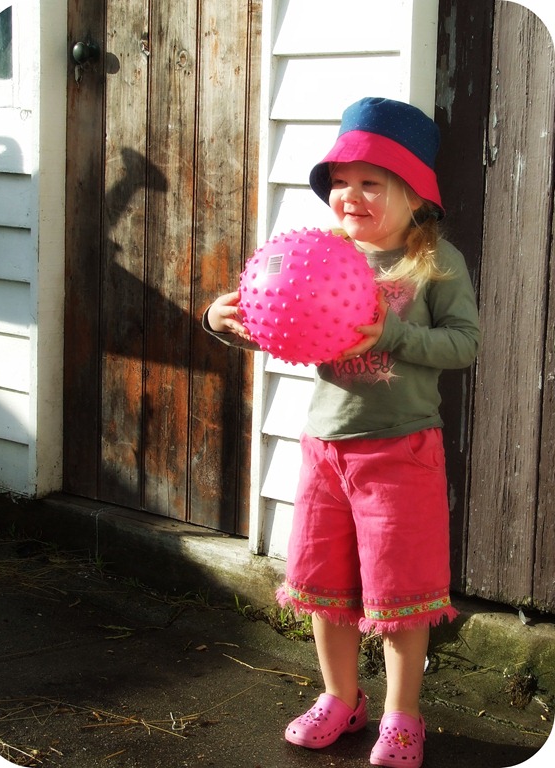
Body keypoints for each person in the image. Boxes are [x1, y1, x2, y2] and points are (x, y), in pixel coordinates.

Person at [203, 96, 480, 768]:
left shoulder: (435, 264)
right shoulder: (321, 255)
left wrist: (393, 335)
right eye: (340, 181)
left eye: (370, 182)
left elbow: (464, 344)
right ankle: (340, 697)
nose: (350, 195)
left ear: (415, 195)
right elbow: (281, 329)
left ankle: (402, 715)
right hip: (325, 449)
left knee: (401, 596)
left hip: (402, 452)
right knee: (325, 589)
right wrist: (221, 321)